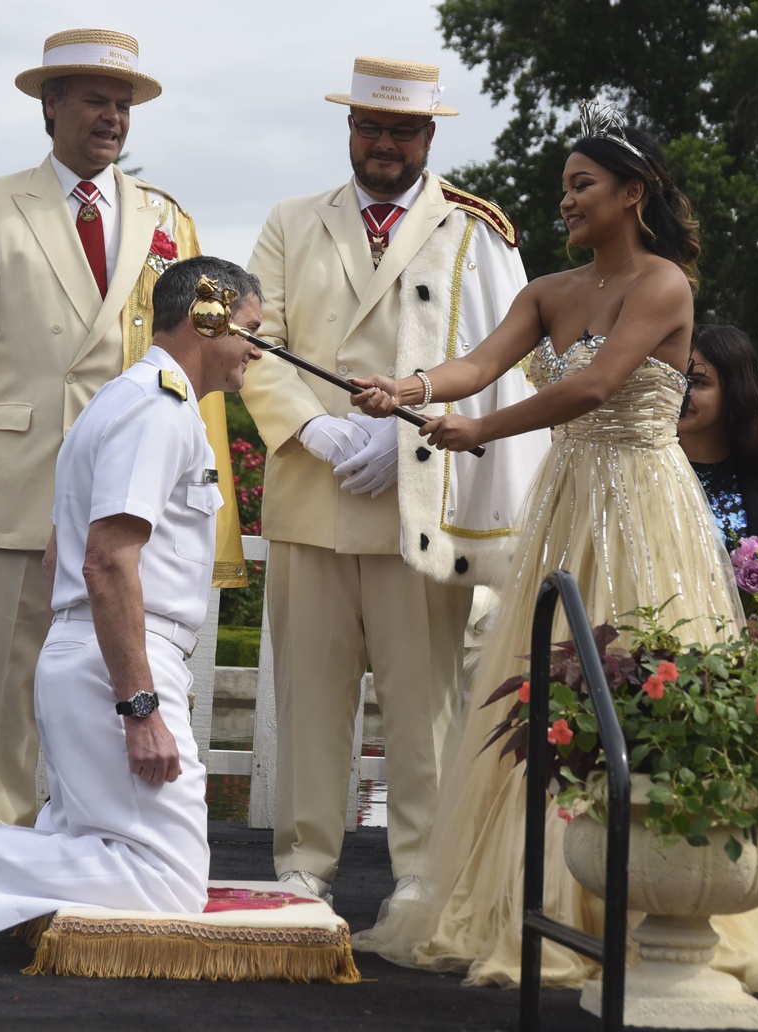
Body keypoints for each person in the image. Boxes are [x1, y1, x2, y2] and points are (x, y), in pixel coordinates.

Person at [347, 103, 758, 992]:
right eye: (564, 188)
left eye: (581, 186)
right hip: (564, 505)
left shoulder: (665, 285)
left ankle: (650, 893)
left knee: (641, 671)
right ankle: (529, 901)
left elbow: (596, 384)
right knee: (542, 683)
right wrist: (411, 388)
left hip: (646, 507)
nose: (567, 201)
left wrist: (479, 430)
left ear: (631, 192)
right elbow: (478, 362)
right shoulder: (547, 290)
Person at [0, 256, 264, 968]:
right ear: (206, 317)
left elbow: (55, 554)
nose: (257, 346)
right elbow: (105, 561)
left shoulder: (116, 401)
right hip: (120, 661)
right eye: (251, 329)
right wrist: (139, 704)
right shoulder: (157, 409)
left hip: (87, 653)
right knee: (169, 880)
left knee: (86, 853)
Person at [239, 55, 549, 911]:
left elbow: (500, 367)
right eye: (369, 126)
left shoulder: (477, 230)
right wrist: (317, 427)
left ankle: (422, 871)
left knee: (424, 707)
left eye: (402, 130)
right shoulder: (291, 221)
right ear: (348, 129)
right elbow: (257, 343)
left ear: (429, 135)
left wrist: (398, 436)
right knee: (310, 698)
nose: (383, 144)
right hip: (312, 490)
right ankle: (305, 862)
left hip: (422, 497)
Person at [0, 28, 246, 829]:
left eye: (123, 104)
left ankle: (83, 847)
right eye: (95, 100)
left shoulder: (167, 217)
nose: (112, 117)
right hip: (18, 476)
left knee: (114, 684)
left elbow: (197, 362)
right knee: (5, 687)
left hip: (125, 494)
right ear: (51, 105)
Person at [677, 323, 758, 545]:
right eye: (675, 377)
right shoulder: (643, 467)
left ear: (734, 391)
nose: (681, 391)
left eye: (698, 381)